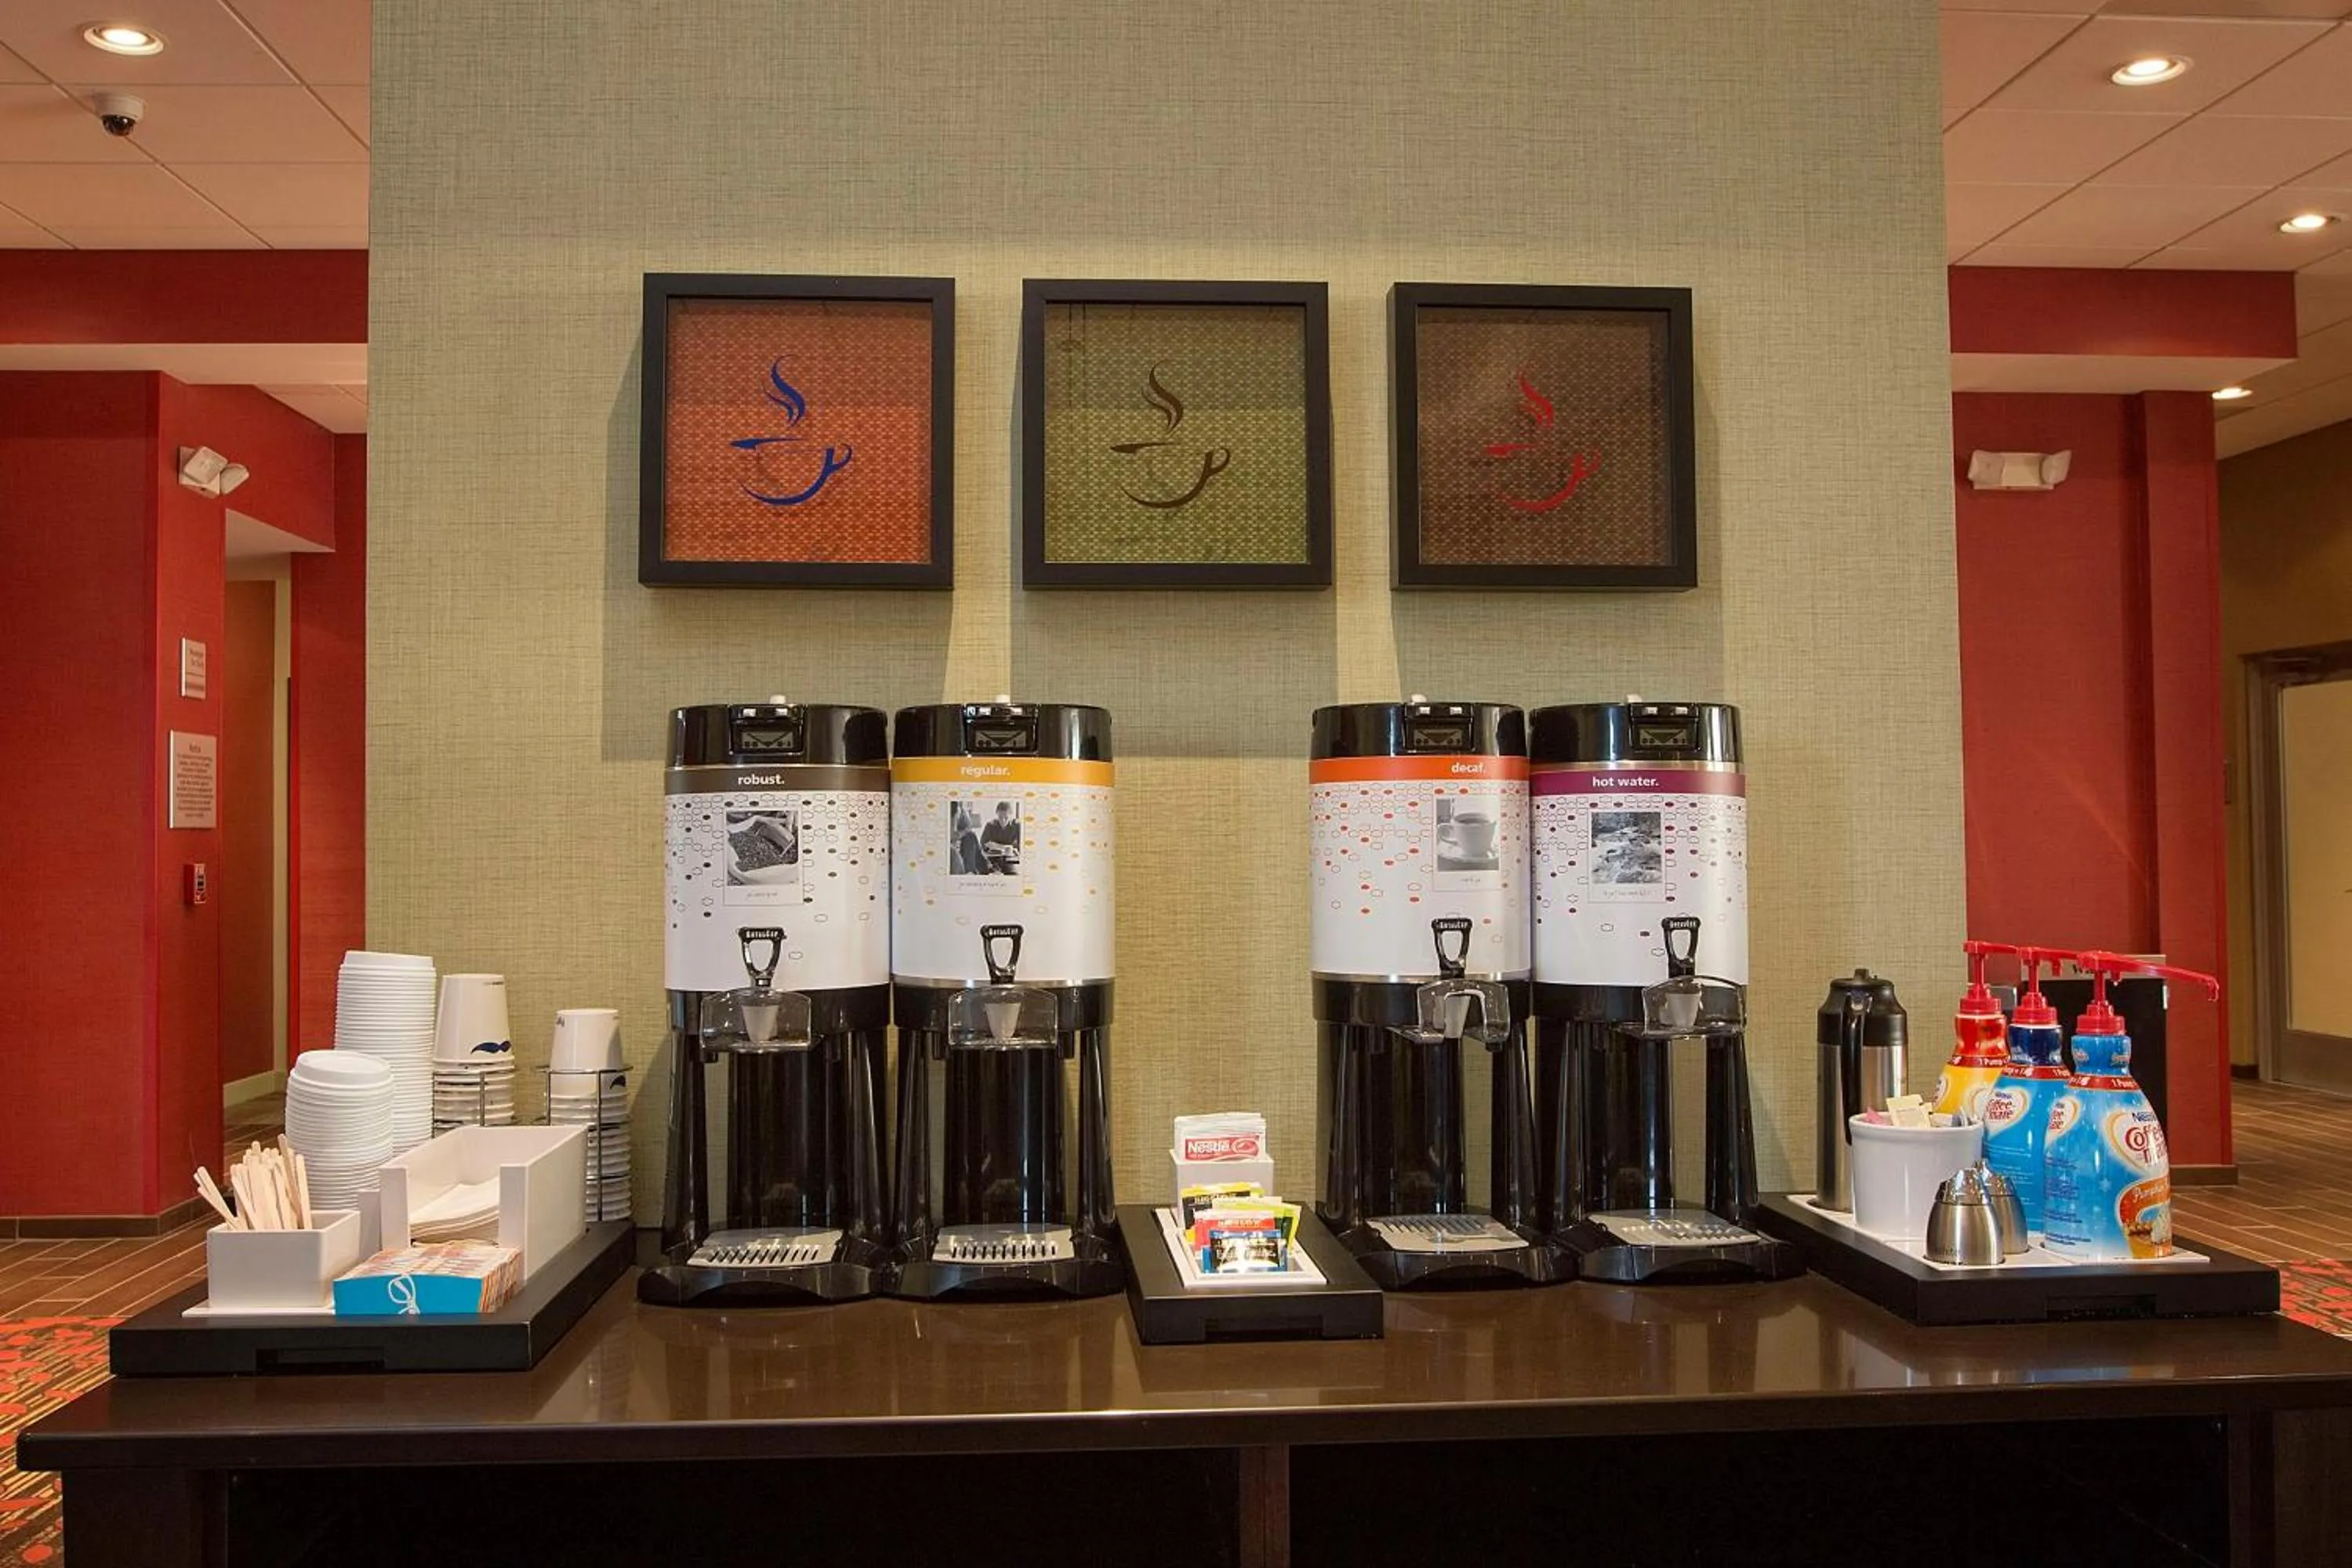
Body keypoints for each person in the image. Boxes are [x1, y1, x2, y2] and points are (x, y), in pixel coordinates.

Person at [979, 801, 1020, 873]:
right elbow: (983, 844)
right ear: (997, 814)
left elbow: (1021, 845)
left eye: (1006, 818)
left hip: (1009, 859)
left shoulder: (1017, 825)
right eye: (1000, 817)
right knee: (984, 873)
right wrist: (1004, 847)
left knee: (1013, 874)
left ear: (1011, 815)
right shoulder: (990, 825)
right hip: (992, 859)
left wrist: (1015, 850)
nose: (1003, 821)